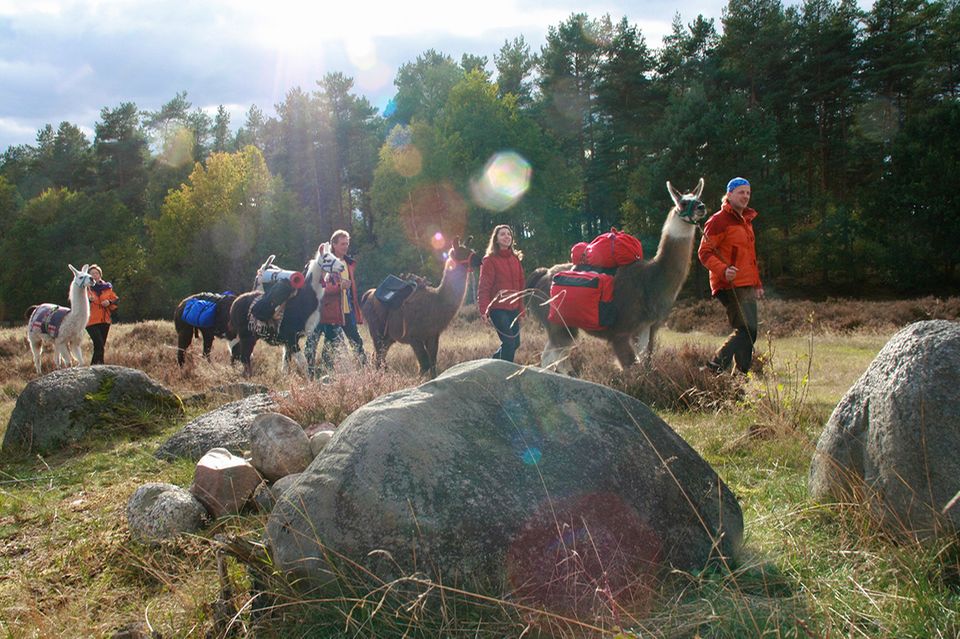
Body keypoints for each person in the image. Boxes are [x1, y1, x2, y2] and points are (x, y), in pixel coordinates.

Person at [697, 177, 764, 374]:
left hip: (746, 283)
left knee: (750, 332)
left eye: (748, 193)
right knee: (747, 330)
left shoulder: (747, 222)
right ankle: (716, 365)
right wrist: (723, 270)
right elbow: (704, 252)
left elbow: (750, 258)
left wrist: (757, 284)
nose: (745, 196)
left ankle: (741, 377)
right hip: (728, 284)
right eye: (741, 192)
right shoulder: (718, 221)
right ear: (729, 194)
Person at [306, 230, 365, 376]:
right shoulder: (323, 262)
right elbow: (318, 286)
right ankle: (309, 373)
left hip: (346, 310)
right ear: (334, 244)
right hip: (324, 311)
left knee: (356, 342)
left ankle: (366, 372)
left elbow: (351, 289)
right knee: (314, 343)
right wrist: (339, 286)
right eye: (342, 244)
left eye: (347, 243)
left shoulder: (349, 263)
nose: (346, 247)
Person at [477, 224, 525, 362]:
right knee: (509, 343)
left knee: (515, 343)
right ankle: (506, 378)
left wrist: (521, 308)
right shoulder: (489, 260)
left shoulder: (515, 259)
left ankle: (493, 363)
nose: (506, 236)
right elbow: (484, 287)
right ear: (496, 239)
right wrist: (484, 309)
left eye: (509, 234)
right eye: (502, 234)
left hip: (514, 308)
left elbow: (521, 285)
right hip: (498, 309)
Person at [85, 264, 119, 365]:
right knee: (99, 344)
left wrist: (109, 302)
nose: (95, 275)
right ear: (89, 276)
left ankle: (97, 366)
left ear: (100, 275)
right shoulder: (86, 289)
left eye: (96, 273)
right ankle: (97, 367)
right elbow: (79, 303)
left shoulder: (107, 288)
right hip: (91, 321)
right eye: (92, 274)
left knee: (100, 346)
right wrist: (88, 300)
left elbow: (116, 299)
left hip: (105, 320)